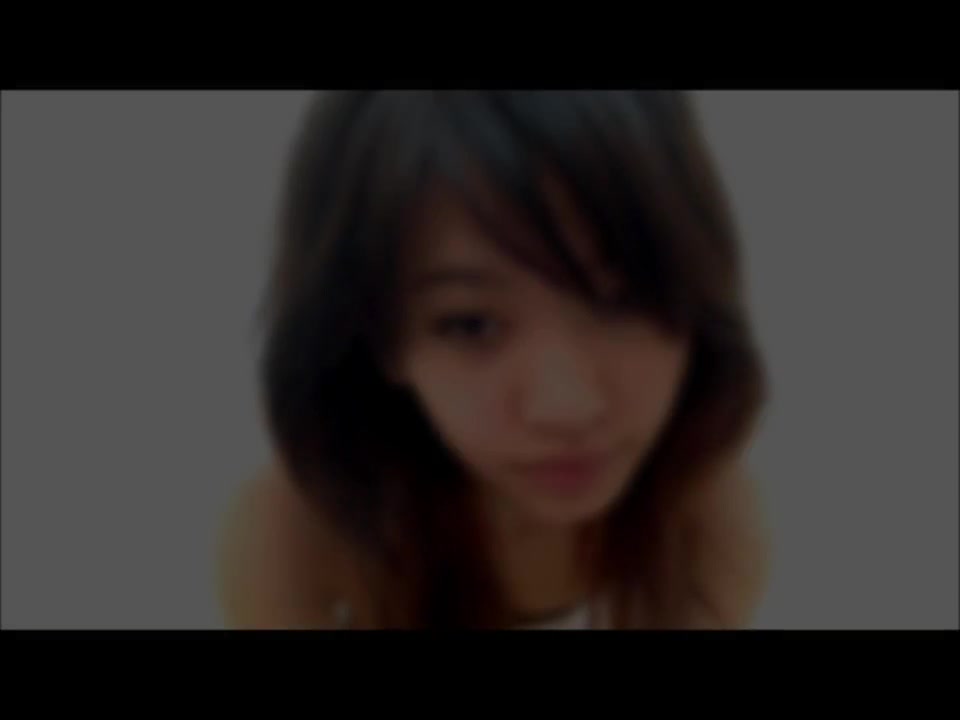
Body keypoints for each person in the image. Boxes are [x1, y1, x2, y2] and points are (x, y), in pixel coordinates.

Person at [217, 90, 771, 630]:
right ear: (379, 339)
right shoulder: (300, 531)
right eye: (471, 324)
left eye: (625, 303)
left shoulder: (699, 509)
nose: (567, 407)